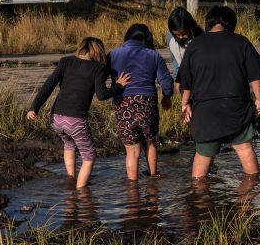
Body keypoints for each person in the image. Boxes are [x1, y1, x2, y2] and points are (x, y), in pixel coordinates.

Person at [178, 5, 260, 179]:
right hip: (236, 106)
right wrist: (259, 99)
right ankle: (250, 192)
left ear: (208, 23)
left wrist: (185, 104)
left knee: (203, 153)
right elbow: (255, 75)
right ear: (230, 24)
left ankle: (198, 196)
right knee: (244, 148)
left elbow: (186, 81)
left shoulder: (194, 45)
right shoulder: (241, 42)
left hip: (205, 110)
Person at [27, 37, 130, 189]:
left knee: (69, 144)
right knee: (89, 157)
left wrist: (34, 107)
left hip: (56, 119)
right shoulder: (98, 68)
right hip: (75, 121)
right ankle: (80, 192)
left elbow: (48, 86)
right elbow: (102, 95)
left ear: (81, 48)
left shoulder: (65, 61)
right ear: (99, 52)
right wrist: (119, 86)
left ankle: (71, 181)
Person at [107, 23, 174, 181]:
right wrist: (167, 96)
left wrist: (112, 90)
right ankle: (153, 177)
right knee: (150, 142)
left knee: (132, 151)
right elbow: (166, 82)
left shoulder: (113, 54)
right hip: (147, 103)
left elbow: (99, 77)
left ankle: (132, 187)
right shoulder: (153, 55)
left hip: (123, 104)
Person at [166, 7, 203, 78]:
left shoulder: (201, 36)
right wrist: (177, 78)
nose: (180, 37)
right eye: (177, 34)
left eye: (184, 34)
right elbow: (175, 61)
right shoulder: (170, 36)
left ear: (190, 28)